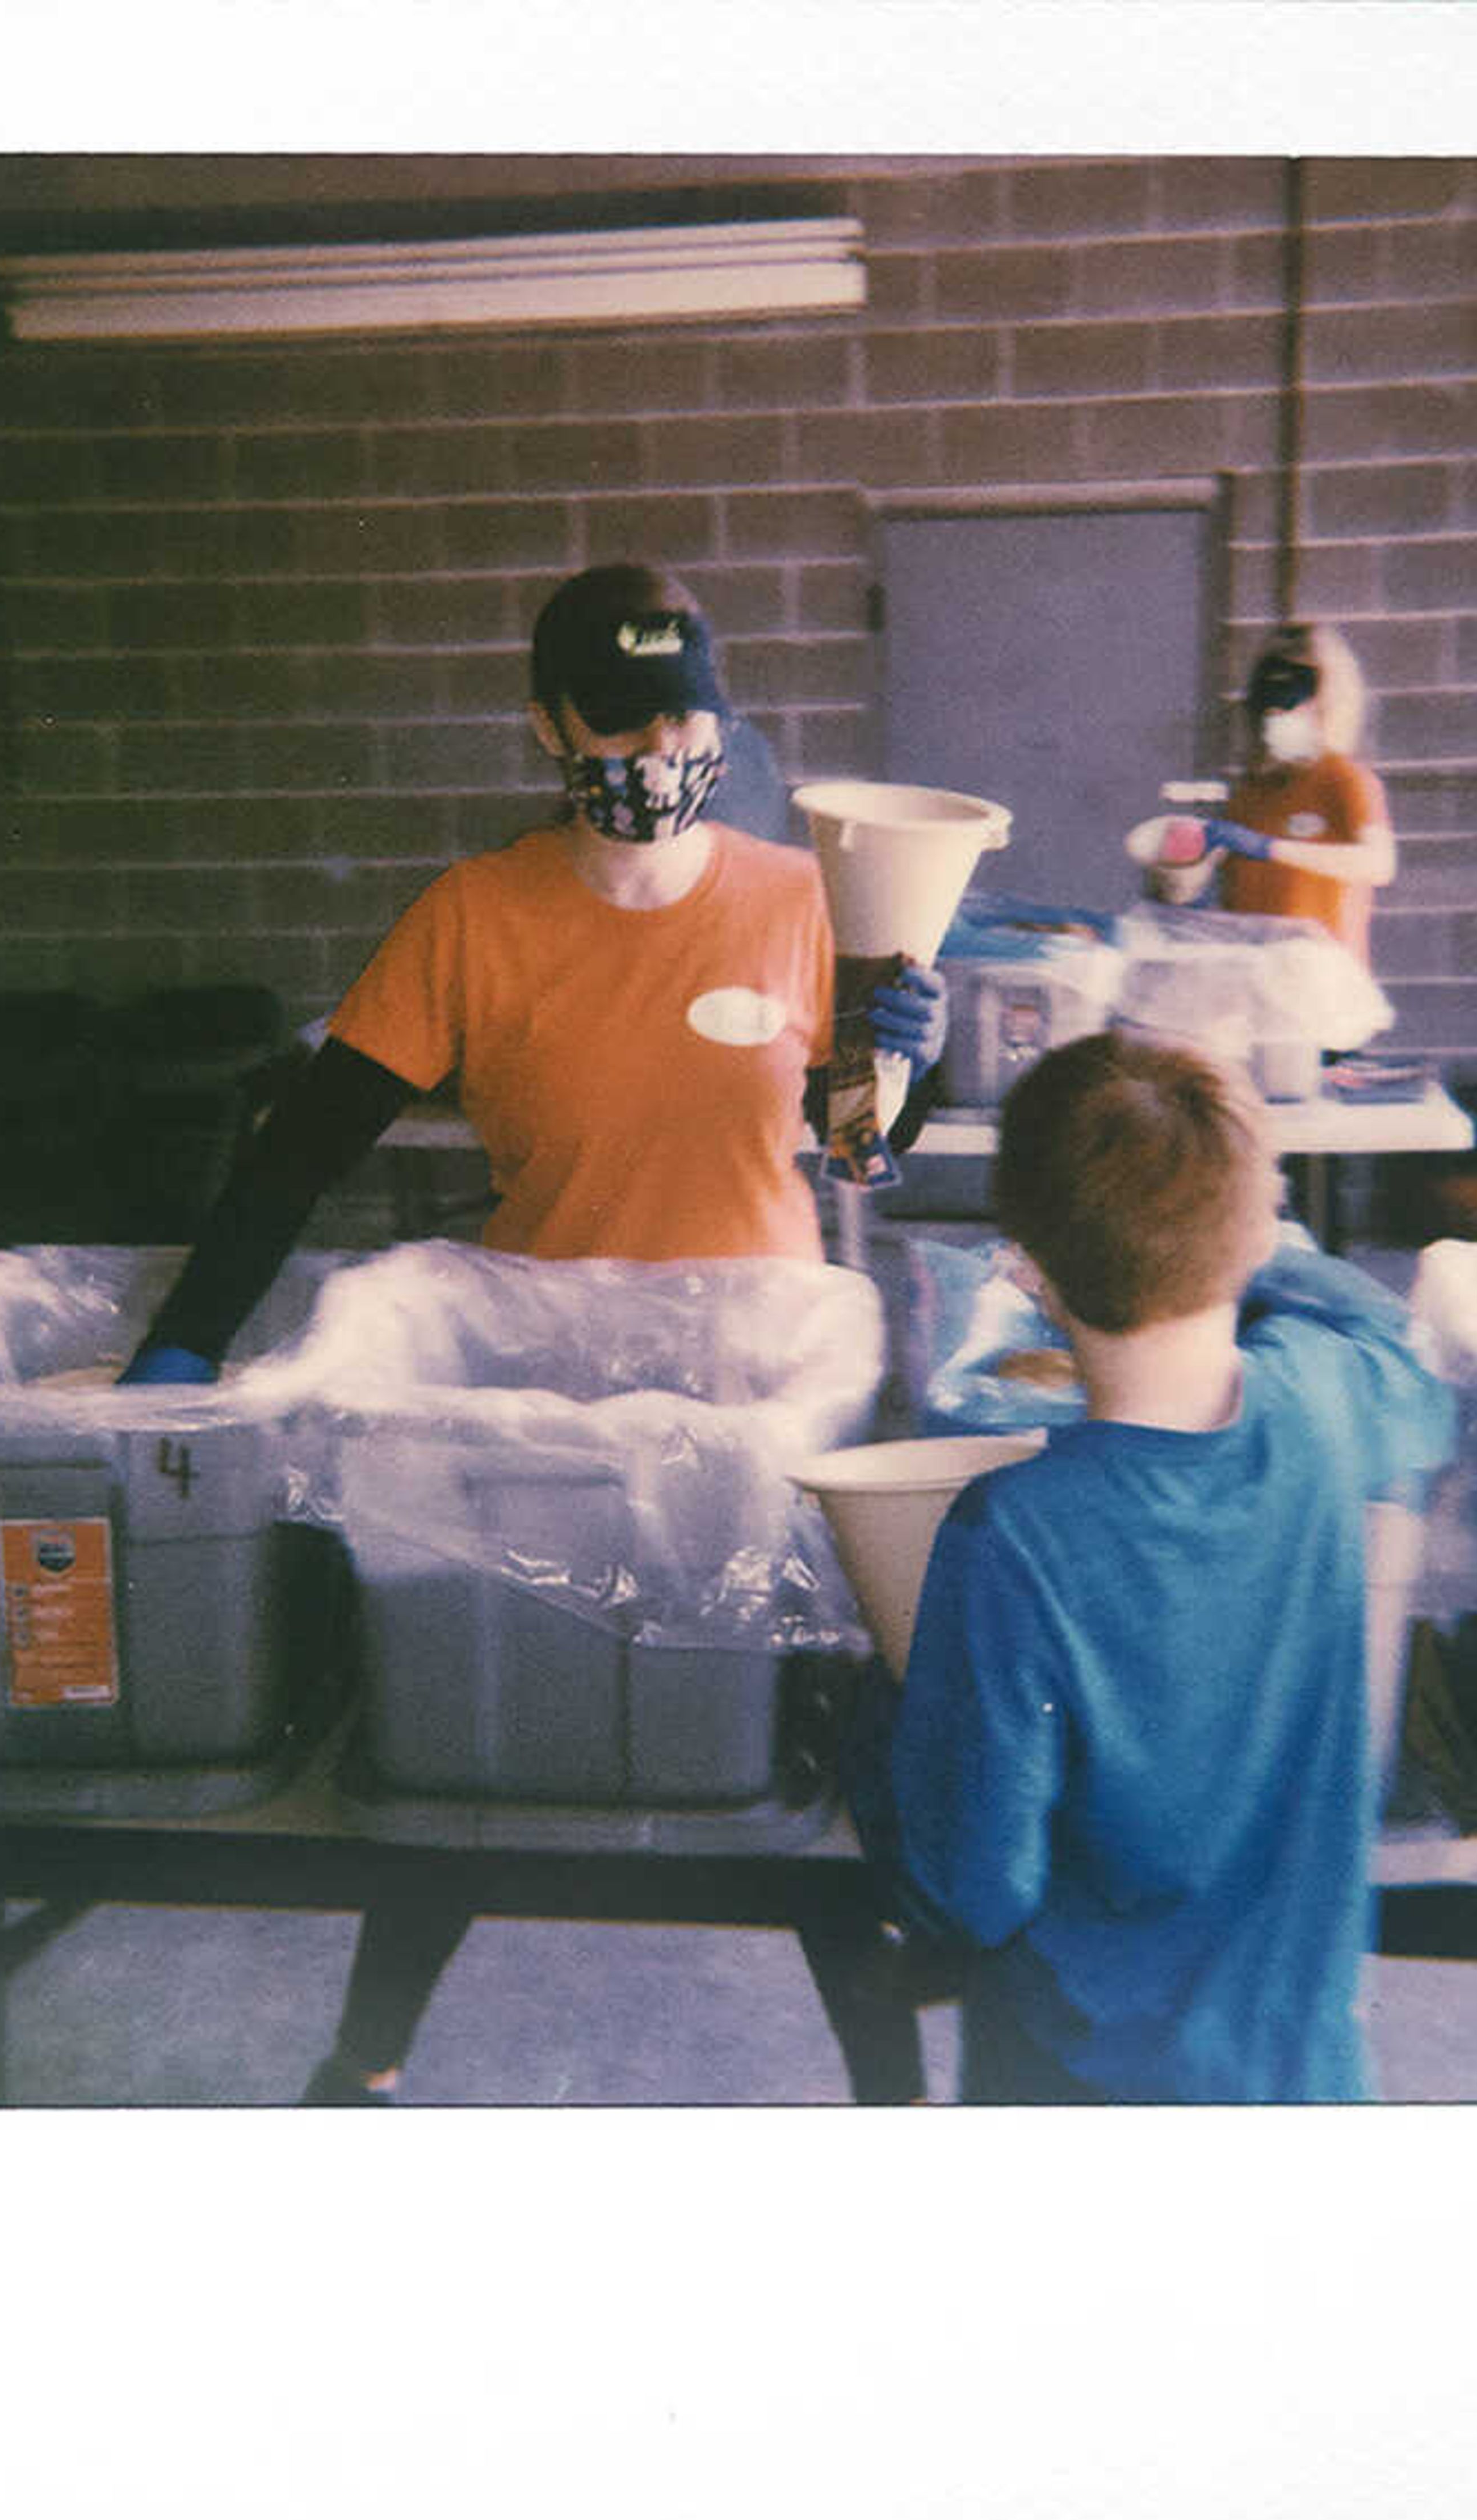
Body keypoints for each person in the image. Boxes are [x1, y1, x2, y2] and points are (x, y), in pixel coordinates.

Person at [120, 561, 948, 2102]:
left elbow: (859, 1145)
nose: (658, 750)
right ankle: (365, 2064)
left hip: (752, 1413)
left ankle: (895, 2105)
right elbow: (303, 1147)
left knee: (792, 1780)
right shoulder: (475, 918)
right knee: (477, 1744)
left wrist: (915, 1059)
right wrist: (184, 1342)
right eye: (619, 721)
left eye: (685, 716)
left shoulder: (802, 901)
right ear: (547, 725)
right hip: (536, 1412)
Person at [849, 1029, 1455, 2104]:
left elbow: (975, 1890)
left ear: (1027, 1269)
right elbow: (1402, 1358)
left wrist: (879, 1735)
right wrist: (1257, 1247)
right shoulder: (1324, 1397)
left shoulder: (1016, 1533)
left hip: (1086, 2085)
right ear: (1258, 1228)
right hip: (1301, 2066)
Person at [1145, 623, 1396, 968]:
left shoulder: (1344, 780)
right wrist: (1179, 878)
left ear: (1325, 699)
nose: (1278, 711)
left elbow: (1379, 864)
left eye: (1295, 690)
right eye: (1269, 694)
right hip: (1258, 984)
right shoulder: (1251, 793)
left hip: (1322, 988)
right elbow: (1231, 900)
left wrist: (1269, 848)